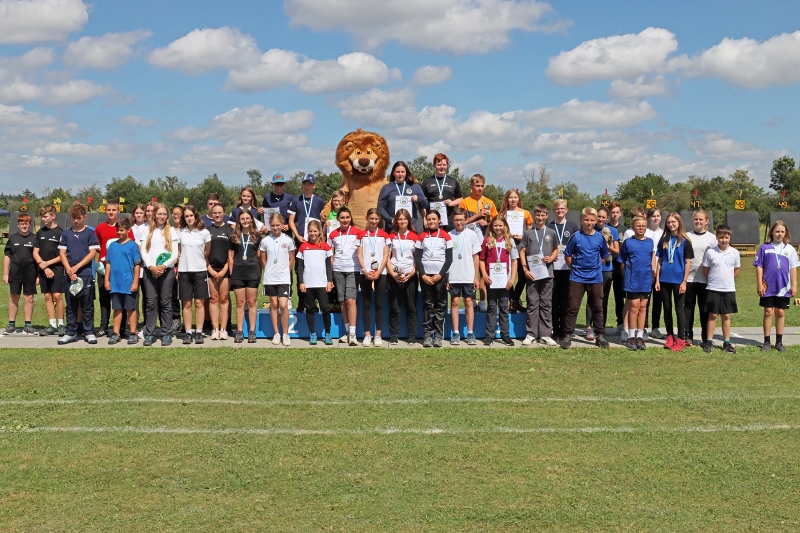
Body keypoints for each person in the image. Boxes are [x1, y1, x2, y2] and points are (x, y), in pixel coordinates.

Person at [562, 207, 610, 349]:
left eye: (592, 220)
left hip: (595, 278)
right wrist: (575, 269)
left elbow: (604, 256)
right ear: (582, 220)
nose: (589, 222)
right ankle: (568, 336)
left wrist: (595, 269)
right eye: (586, 220)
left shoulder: (600, 237)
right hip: (577, 277)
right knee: (572, 307)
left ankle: (600, 335)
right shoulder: (576, 236)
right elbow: (567, 255)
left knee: (597, 307)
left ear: (596, 221)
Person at [57, 204, 100, 345]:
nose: (76, 220)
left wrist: (77, 267)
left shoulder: (90, 233)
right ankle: (71, 332)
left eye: (78, 218)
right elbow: (62, 253)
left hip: (86, 274)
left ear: (84, 217)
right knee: (71, 305)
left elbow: (92, 253)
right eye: (73, 218)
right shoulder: (65, 234)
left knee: (87, 305)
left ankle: (88, 331)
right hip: (69, 275)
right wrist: (69, 269)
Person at [754, 220, 798, 352]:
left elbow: (793, 268)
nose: (779, 234)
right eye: (777, 231)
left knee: (780, 312)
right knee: (768, 312)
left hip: (783, 286)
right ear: (772, 232)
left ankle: (779, 342)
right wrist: (759, 283)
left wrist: (794, 284)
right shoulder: (765, 248)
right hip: (767, 286)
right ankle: (766, 341)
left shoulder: (790, 249)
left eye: (782, 232)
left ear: (786, 233)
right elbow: (759, 266)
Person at [519, 204, 558, 347]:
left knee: (546, 304)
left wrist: (552, 257)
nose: (540, 217)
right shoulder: (528, 233)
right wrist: (524, 268)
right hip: (532, 274)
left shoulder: (551, 232)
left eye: (543, 215)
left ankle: (546, 334)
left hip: (547, 273)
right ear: (534, 216)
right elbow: (522, 251)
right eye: (538, 215)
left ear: (547, 216)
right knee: (532, 303)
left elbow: (556, 249)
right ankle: (531, 334)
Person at [140, 203, 179, 347]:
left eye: (164, 214)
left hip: (166, 271)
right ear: (154, 214)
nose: (162, 217)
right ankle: (149, 333)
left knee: (165, 302)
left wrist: (163, 266)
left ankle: (166, 333)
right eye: (159, 214)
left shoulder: (171, 231)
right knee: (150, 302)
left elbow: (174, 254)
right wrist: (150, 266)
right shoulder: (146, 230)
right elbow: (143, 251)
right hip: (150, 271)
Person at [95, 199, 134, 337]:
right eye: (108, 210)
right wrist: (104, 256)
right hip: (104, 268)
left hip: (121, 269)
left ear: (118, 211)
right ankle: (103, 327)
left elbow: (130, 245)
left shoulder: (123, 227)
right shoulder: (100, 228)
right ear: (105, 211)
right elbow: (96, 245)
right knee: (104, 299)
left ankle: (121, 328)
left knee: (121, 298)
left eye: (113, 210)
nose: (111, 212)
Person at [655, 213, 693, 351]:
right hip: (664, 279)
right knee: (667, 308)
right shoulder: (664, 239)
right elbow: (659, 261)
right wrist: (657, 279)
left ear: (679, 223)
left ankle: (681, 338)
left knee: (679, 309)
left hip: (678, 280)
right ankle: (670, 336)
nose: (671, 224)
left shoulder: (684, 241)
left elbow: (688, 263)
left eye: (673, 222)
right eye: (669, 222)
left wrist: (684, 281)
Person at [415, 210, 453, 347]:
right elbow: (417, 257)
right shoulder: (422, 236)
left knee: (440, 305)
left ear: (439, 220)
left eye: (434, 219)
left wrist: (440, 275)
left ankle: (438, 335)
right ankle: (427, 335)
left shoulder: (446, 236)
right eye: (429, 219)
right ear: (426, 220)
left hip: (440, 276)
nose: (431, 221)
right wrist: (423, 275)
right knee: (427, 305)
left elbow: (449, 259)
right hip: (425, 276)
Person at [288, 174, 325, 312]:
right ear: (302, 185)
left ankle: (313, 302)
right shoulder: (296, 201)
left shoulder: (319, 201)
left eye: (310, 184)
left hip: (315, 242)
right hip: (301, 241)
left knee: (315, 270)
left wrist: (321, 237)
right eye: (305, 184)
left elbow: (323, 220)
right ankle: (302, 301)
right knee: (300, 271)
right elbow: (291, 220)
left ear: (314, 185)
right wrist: (297, 235)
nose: (307, 186)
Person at [701, 224, 740, 354]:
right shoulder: (710, 252)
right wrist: (713, 281)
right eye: (721, 237)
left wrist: (728, 281)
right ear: (717, 237)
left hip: (728, 289)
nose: (724, 240)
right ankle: (709, 341)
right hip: (713, 288)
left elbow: (736, 270)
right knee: (713, 315)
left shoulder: (734, 252)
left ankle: (727, 342)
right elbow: (706, 270)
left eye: (726, 237)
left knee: (726, 315)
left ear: (730, 237)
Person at [618, 215, 655, 350]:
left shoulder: (650, 242)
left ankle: (640, 336)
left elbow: (652, 259)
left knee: (643, 307)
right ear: (633, 227)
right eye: (638, 226)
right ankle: (631, 336)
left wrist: (652, 275)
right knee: (633, 306)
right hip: (632, 278)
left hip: (645, 279)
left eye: (643, 226)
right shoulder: (628, 242)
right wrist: (627, 275)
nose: (641, 228)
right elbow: (621, 262)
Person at [479, 216, 517, 346]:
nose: (498, 228)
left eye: (500, 225)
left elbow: (514, 260)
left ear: (505, 226)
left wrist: (512, 278)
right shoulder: (487, 241)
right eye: (495, 225)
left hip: (505, 281)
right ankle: (489, 335)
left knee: (504, 307)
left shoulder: (509, 241)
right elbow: (482, 259)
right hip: (491, 280)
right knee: (491, 307)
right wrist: (484, 275)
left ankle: (505, 335)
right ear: (492, 227)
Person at [258, 213, 295, 346]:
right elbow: (262, 259)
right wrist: (268, 270)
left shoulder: (288, 240)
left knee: (283, 305)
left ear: (282, 224)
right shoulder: (265, 240)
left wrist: (286, 271)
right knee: (274, 305)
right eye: (272, 225)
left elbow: (292, 259)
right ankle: (276, 333)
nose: (275, 228)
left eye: (277, 225)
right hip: (270, 278)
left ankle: (285, 334)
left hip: (284, 278)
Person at [103, 217, 141, 345]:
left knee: (131, 308)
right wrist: (107, 280)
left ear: (128, 230)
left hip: (128, 282)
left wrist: (135, 282)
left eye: (122, 230)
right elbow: (108, 264)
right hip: (115, 283)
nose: (119, 233)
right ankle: (116, 333)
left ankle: (132, 332)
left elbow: (137, 265)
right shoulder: (112, 246)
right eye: (118, 230)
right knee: (117, 308)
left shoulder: (133, 246)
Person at [177, 205, 211, 344]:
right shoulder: (180, 232)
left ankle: (198, 332)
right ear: (184, 218)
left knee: (199, 303)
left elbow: (207, 251)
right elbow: (179, 251)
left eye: (191, 215)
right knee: (186, 304)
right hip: (184, 271)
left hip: (200, 271)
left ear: (195, 216)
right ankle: (188, 332)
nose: (189, 218)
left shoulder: (204, 232)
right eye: (186, 216)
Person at [297, 219, 334, 346]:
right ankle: (312, 334)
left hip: (322, 284)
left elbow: (329, 265)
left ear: (319, 232)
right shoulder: (303, 246)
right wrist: (301, 282)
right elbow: (300, 267)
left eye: (315, 231)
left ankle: (328, 334)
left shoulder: (325, 246)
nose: (312, 233)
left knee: (325, 308)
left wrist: (329, 281)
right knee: (310, 309)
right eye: (310, 231)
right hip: (308, 284)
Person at [447, 208, 481, 345]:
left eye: (461, 219)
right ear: (453, 220)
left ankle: (470, 333)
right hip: (454, 275)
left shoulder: (472, 235)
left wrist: (476, 277)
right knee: (454, 302)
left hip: (468, 274)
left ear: (466, 220)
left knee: (468, 302)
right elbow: (447, 258)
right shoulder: (449, 235)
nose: (459, 222)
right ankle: (456, 333)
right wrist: (447, 277)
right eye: (456, 220)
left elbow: (476, 256)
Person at [357, 208, 390, 346]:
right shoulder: (361, 235)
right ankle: (367, 335)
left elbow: (386, 255)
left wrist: (379, 270)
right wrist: (365, 270)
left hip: (380, 273)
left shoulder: (384, 235)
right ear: (367, 218)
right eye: (371, 218)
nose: (374, 221)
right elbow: (359, 255)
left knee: (379, 304)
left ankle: (378, 336)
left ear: (379, 219)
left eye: (376, 219)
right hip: (364, 273)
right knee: (366, 304)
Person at [547, 199, 579, 341]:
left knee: (566, 300)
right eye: (557, 209)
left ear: (566, 210)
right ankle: (556, 330)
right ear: (554, 211)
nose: (560, 211)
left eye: (562, 208)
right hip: (552, 269)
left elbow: (578, 246)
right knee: (553, 300)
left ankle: (566, 330)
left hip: (567, 268)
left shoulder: (573, 226)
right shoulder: (549, 227)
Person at [585, 206, 619, 341]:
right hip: (590, 268)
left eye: (603, 217)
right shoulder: (590, 230)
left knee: (602, 299)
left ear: (607, 218)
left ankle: (600, 328)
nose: (600, 219)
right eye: (598, 216)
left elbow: (617, 251)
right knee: (590, 298)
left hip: (606, 269)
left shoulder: (613, 231)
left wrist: (607, 246)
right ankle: (588, 327)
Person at [229, 209, 263, 343]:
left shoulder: (258, 236)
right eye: (242, 219)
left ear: (251, 220)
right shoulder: (233, 237)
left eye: (247, 218)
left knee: (252, 302)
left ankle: (252, 331)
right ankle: (239, 331)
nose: (245, 221)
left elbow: (260, 257)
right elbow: (230, 257)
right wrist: (232, 273)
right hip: (238, 273)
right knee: (239, 303)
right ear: (239, 221)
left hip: (252, 273)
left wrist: (259, 272)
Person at [684, 210, 717, 347]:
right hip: (690, 278)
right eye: (696, 219)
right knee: (688, 309)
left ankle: (705, 337)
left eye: (701, 220)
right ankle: (687, 336)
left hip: (706, 279)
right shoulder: (686, 236)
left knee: (704, 309)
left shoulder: (712, 238)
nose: (698, 222)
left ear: (706, 221)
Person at [386, 209, 419, 345]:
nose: (403, 221)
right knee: (394, 306)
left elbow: (418, 259)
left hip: (410, 276)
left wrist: (412, 273)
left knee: (411, 306)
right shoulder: (391, 236)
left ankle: (412, 335)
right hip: (394, 277)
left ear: (409, 220)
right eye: (400, 219)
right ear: (396, 221)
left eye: (405, 219)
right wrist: (393, 274)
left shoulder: (415, 237)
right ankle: (394, 334)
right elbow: (386, 258)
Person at [328, 207, 360, 346]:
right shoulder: (333, 234)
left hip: (353, 269)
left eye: (347, 217)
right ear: (338, 219)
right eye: (342, 217)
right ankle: (347, 332)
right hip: (338, 270)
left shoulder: (358, 233)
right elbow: (330, 254)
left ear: (350, 218)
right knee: (342, 301)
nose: (345, 220)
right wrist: (331, 272)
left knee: (351, 300)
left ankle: (353, 334)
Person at [499, 189, 533, 312]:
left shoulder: (526, 213)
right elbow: (498, 231)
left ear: (519, 199)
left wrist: (523, 237)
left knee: (523, 276)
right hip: (507, 247)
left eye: (515, 197)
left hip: (522, 248)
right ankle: (512, 302)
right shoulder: (502, 214)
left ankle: (514, 299)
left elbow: (530, 233)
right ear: (507, 199)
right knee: (508, 275)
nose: (513, 200)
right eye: (510, 197)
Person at [33, 205, 65, 336]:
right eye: (42, 217)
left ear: (53, 216)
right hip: (43, 269)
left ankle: (61, 325)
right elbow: (35, 252)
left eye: (45, 216)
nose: (43, 219)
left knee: (57, 296)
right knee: (47, 296)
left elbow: (62, 255)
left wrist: (48, 264)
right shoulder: (40, 232)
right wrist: (44, 266)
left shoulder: (61, 233)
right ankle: (52, 325)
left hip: (57, 268)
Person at [4, 213, 37, 336]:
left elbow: (38, 257)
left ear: (30, 224)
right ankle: (11, 325)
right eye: (22, 223)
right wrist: (5, 273)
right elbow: (7, 256)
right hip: (15, 272)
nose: (24, 225)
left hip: (30, 272)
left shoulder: (35, 238)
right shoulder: (12, 238)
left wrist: (38, 275)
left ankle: (28, 325)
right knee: (14, 298)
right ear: (18, 225)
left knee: (29, 298)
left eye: (26, 223)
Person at [206, 203, 233, 340]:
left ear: (224, 213)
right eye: (214, 213)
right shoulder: (207, 231)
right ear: (211, 213)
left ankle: (224, 329)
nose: (217, 215)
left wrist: (224, 270)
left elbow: (231, 255)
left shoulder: (230, 231)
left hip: (225, 271)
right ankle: (214, 328)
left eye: (219, 213)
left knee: (224, 300)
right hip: (210, 270)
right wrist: (209, 269)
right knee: (213, 299)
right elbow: (204, 254)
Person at [377, 161, 429, 230]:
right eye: (398, 172)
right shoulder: (386, 188)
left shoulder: (415, 187)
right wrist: (390, 220)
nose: (400, 174)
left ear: (406, 172)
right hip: (393, 228)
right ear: (393, 173)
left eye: (402, 172)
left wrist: (419, 199)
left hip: (411, 228)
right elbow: (381, 208)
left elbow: (425, 205)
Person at [420, 153, 463, 232]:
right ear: (434, 165)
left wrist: (453, 203)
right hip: (431, 221)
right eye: (439, 164)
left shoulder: (453, 181)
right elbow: (421, 203)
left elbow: (460, 198)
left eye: (444, 164)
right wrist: (424, 218)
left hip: (449, 220)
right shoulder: (427, 181)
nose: (442, 167)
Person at [644, 207, 664, 339]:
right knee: (645, 300)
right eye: (653, 216)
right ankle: (643, 326)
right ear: (648, 217)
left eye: (658, 216)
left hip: (661, 271)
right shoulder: (644, 232)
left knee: (658, 300)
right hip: (646, 270)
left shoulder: (664, 233)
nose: (655, 218)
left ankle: (655, 327)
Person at [608, 201, 628, 331]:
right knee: (602, 296)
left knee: (620, 296)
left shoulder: (624, 230)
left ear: (620, 214)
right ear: (609, 213)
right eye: (613, 212)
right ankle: (598, 324)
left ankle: (620, 322)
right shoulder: (604, 228)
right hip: (606, 265)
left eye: (617, 212)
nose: (615, 214)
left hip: (619, 266)